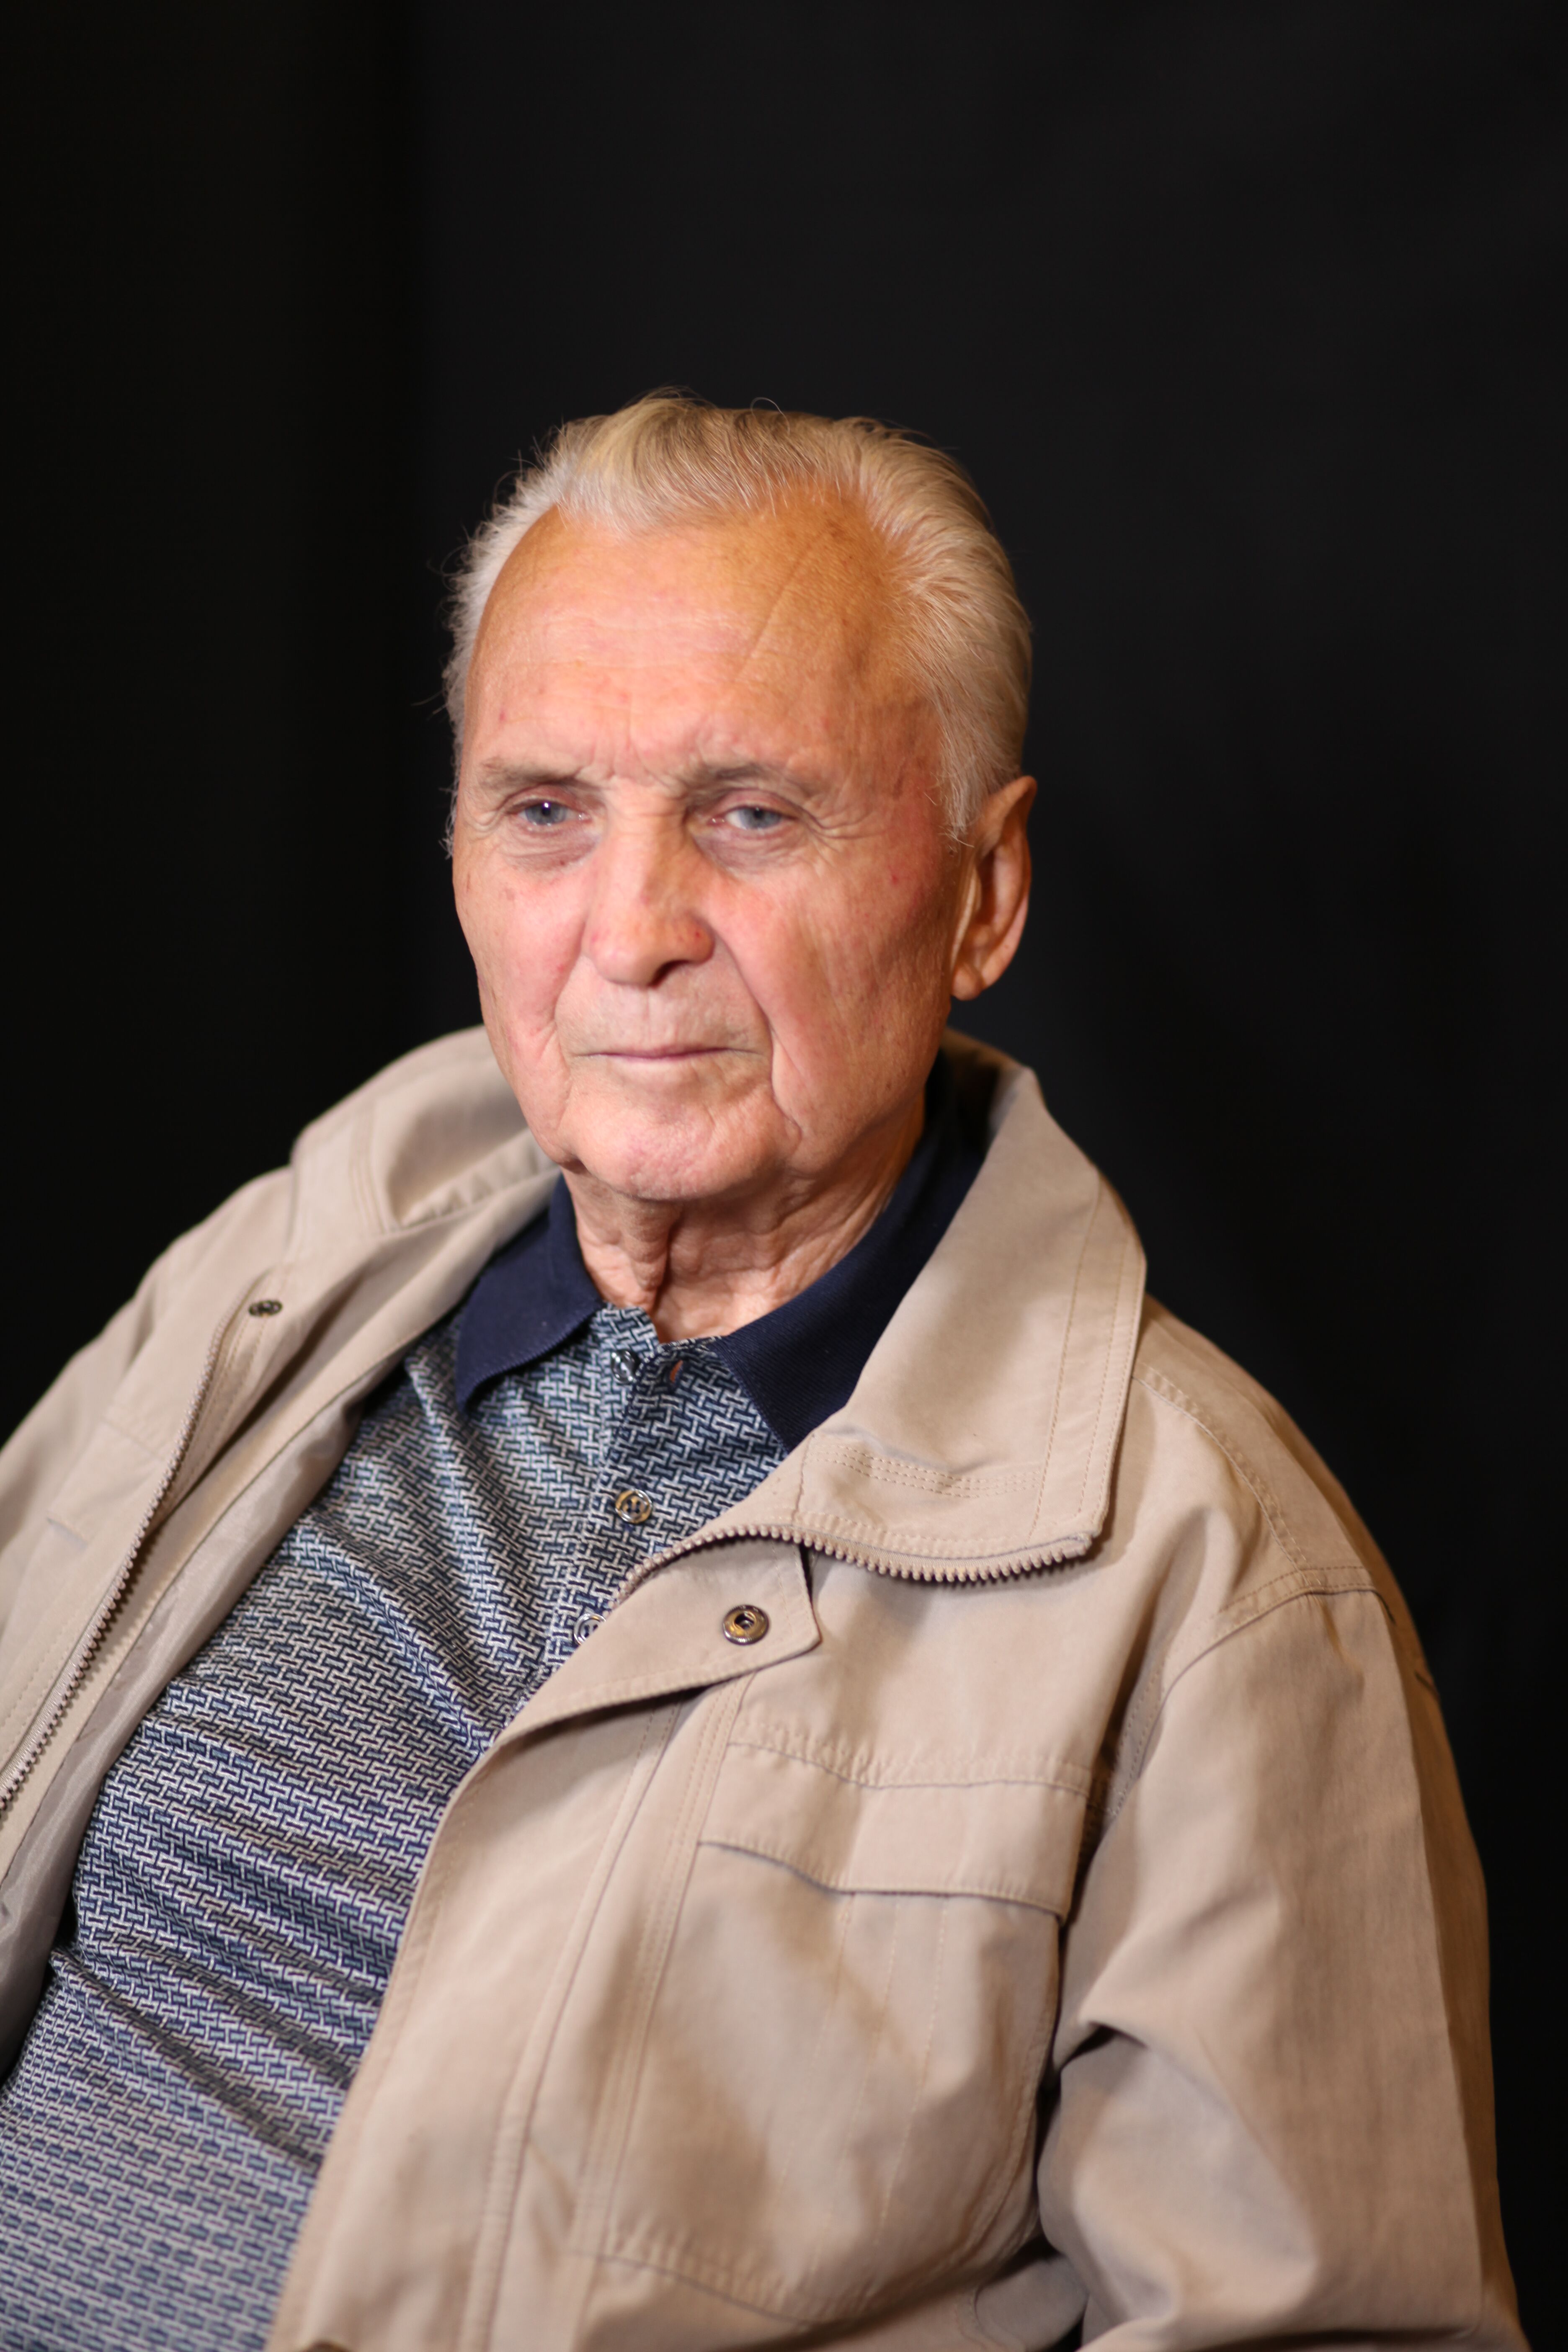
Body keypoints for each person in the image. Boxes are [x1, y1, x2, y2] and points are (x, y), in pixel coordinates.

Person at [0, 395, 1523, 2352]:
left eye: (753, 816)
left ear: (983, 893)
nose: (632, 933)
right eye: (546, 811)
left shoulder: (1219, 1582)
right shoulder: (289, 1264)